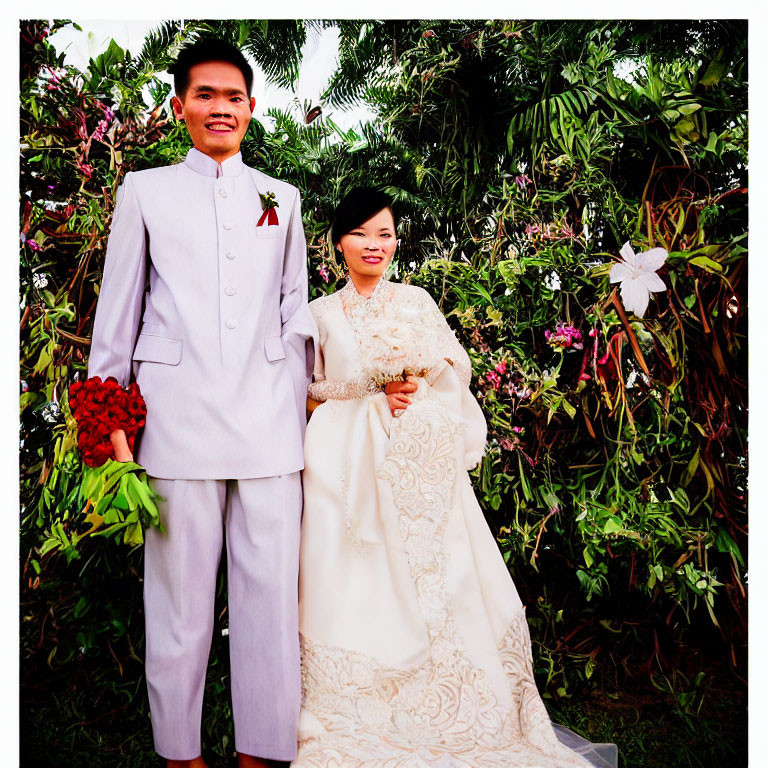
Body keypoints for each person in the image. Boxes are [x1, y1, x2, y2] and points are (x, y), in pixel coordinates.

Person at [292, 188, 616, 768]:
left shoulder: (416, 301)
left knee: (438, 583)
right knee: (352, 581)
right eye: (362, 233)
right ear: (338, 241)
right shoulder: (319, 314)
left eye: (385, 234)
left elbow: (453, 368)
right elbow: (307, 391)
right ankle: (355, 695)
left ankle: (457, 700)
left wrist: (418, 385)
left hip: (419, 464)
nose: (375, 245)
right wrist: (364, 388)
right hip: (345, 468)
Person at [77, 37, 314, 768]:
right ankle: (180, 756)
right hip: (175, 425)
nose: (220, 108)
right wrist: (111, 432)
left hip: (270, 427)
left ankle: (262, 753)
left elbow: (296, 313)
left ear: (252, 108)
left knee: (271, 601)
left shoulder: (282, 196)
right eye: (205, 95)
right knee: (177, 604)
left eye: (233, 96)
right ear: (180, 105)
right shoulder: (144, 191)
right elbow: (114, 324)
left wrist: (308, 407)